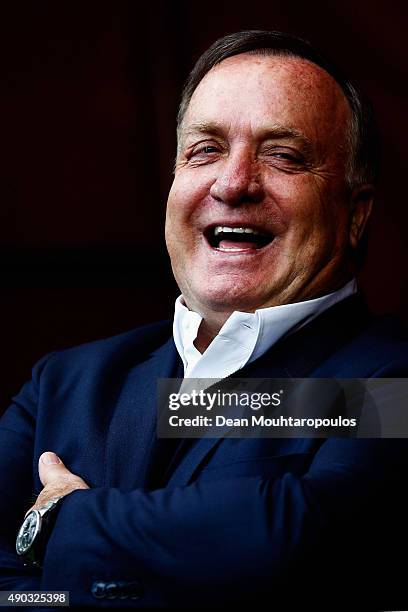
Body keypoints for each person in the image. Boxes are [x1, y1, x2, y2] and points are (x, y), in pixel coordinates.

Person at [1, 30, 407, 609]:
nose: (233, 183)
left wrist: (68, 519)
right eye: (205, 150)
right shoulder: (61, 385)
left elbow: (292, 535)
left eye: (283, 156)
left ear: (356, 216)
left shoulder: (388, 385)